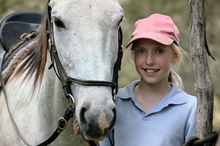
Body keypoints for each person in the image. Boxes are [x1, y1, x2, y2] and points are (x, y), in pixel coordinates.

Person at [74, 13, 197, 146]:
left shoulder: (191, 108)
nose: (149, 61)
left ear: (175, 56)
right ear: (133, 55)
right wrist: (91, 140)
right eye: (141, 51)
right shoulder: (114, 103)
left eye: (159, 51)